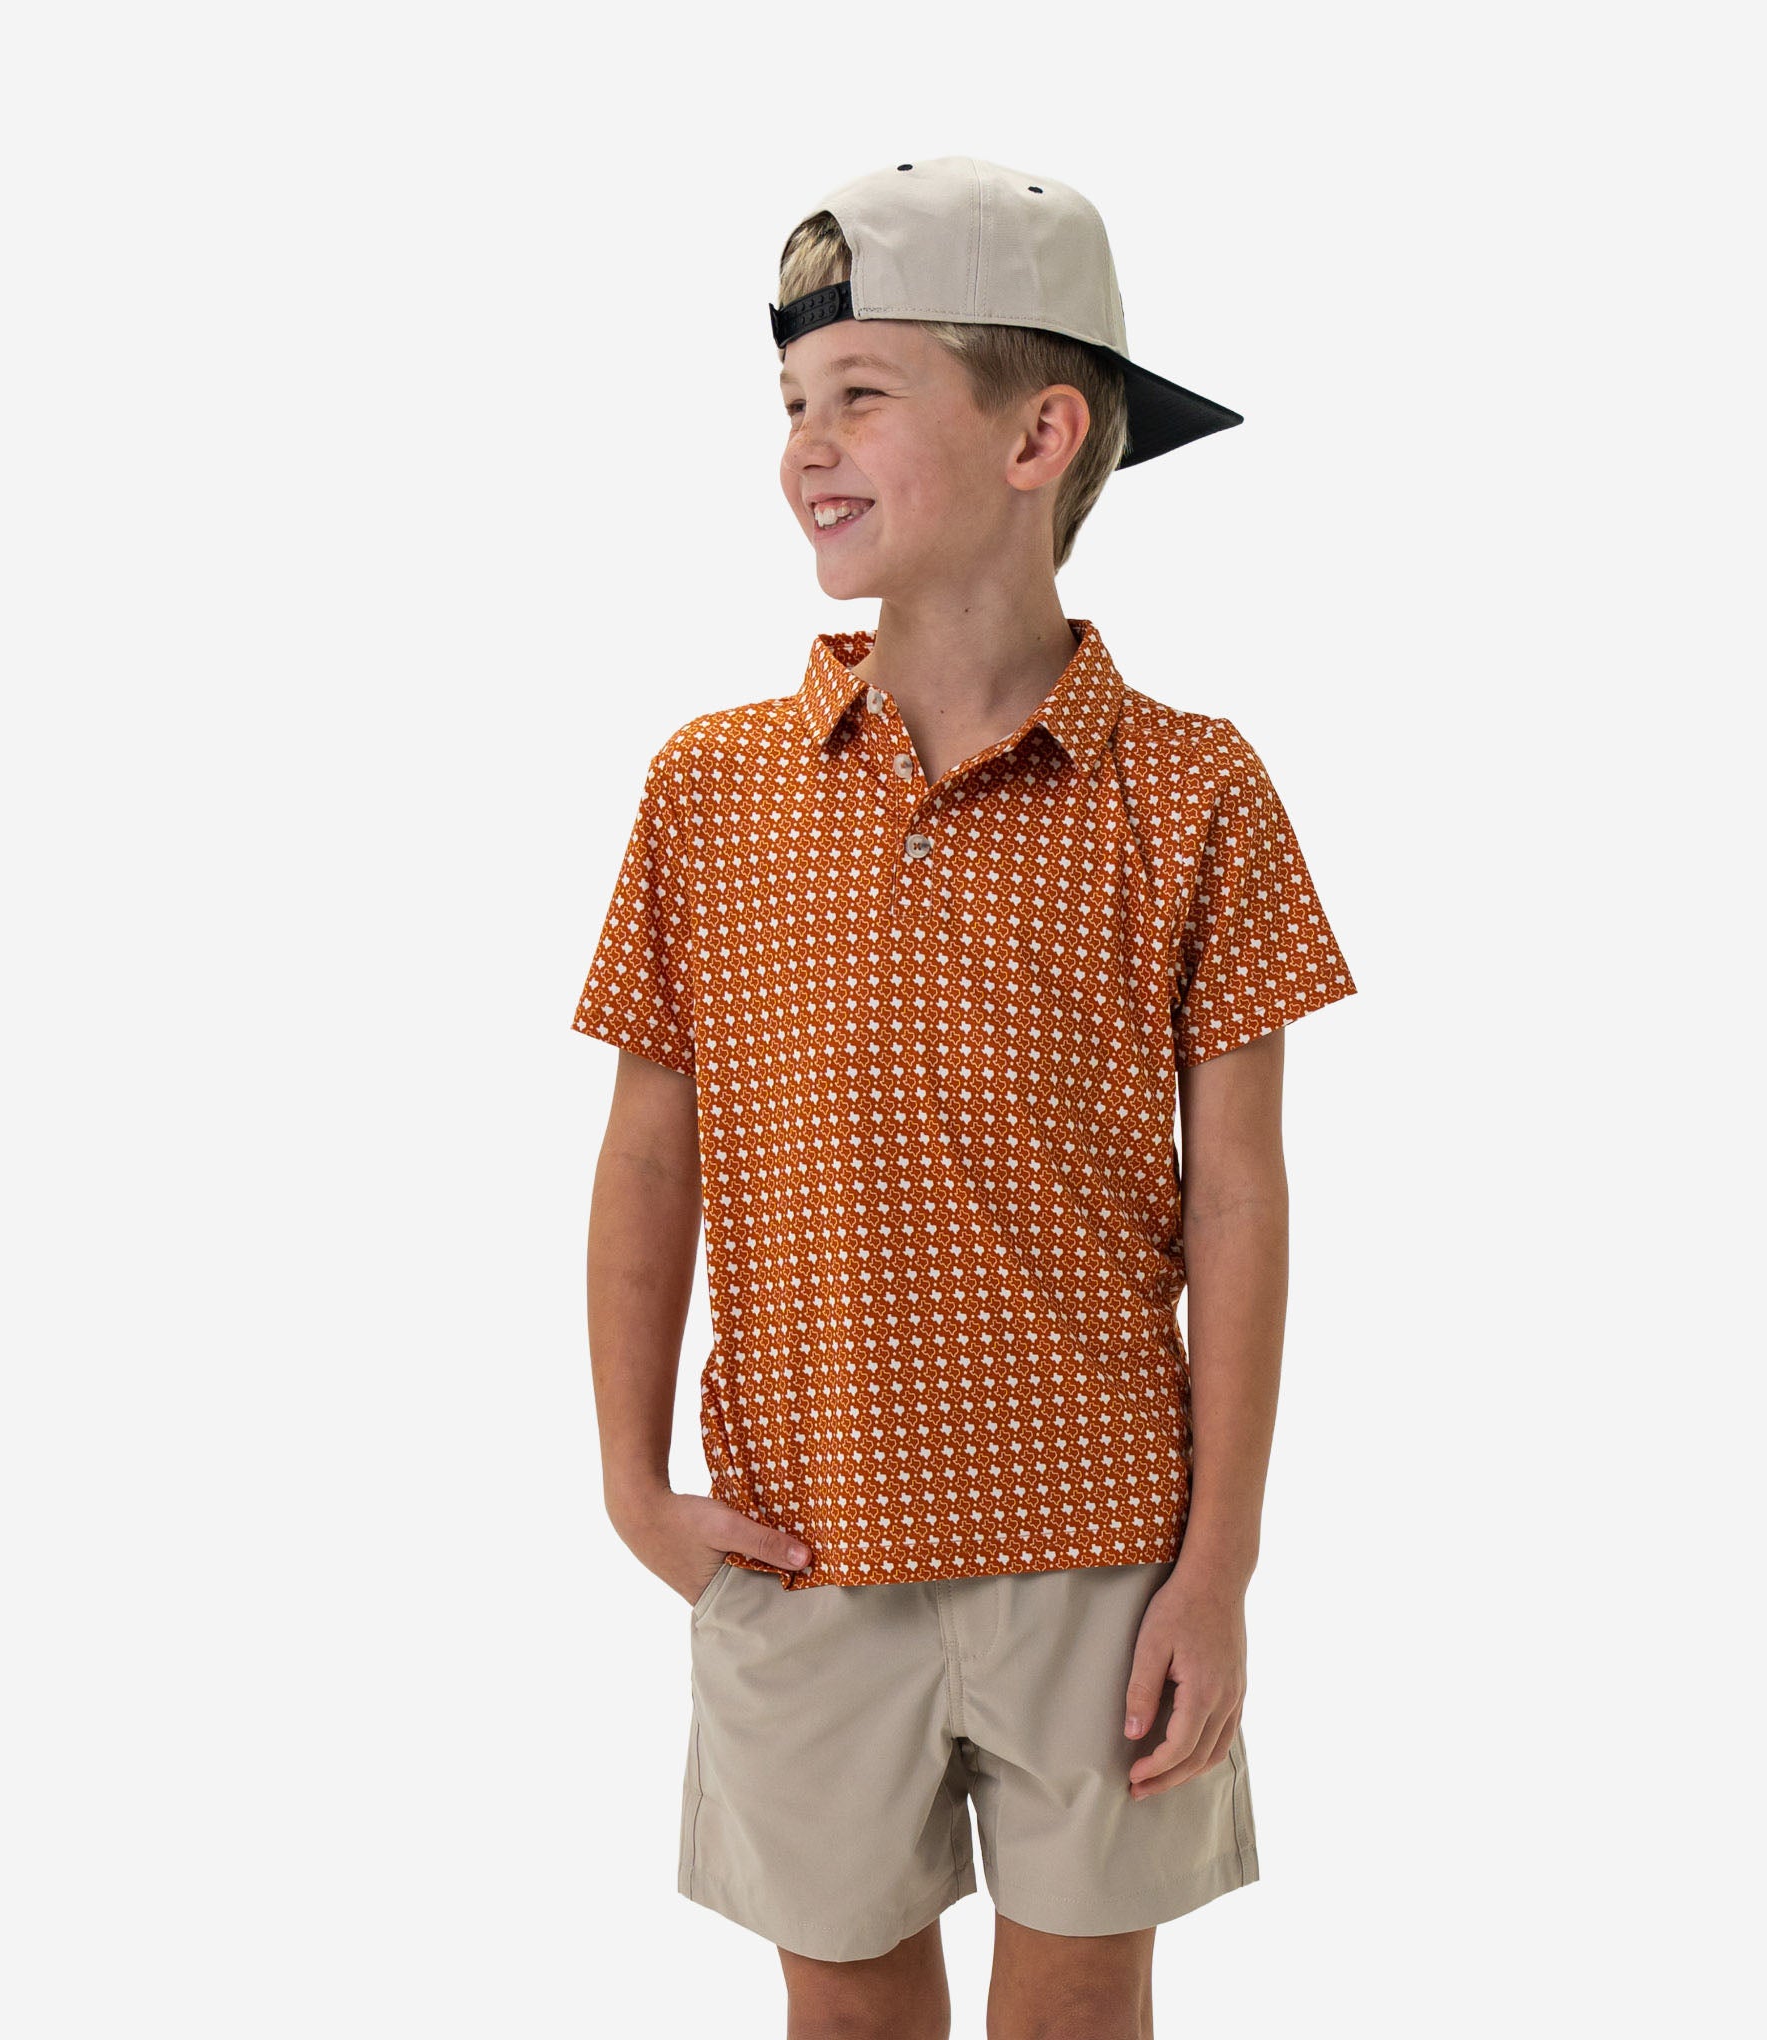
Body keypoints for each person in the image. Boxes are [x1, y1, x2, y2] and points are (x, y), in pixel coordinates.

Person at [573, 155, 1357, 2038]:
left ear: (1039, 437)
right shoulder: (713, 786)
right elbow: (651, 1154)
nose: (806, 445)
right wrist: (632, 1485)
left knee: (1079, 2006)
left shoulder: (1196, 791)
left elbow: (1241, 1197)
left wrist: (1220, 1569)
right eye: (791, 401)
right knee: (847, 2011)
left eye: (862, 393)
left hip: (1102, 1547)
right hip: (805, 1538)